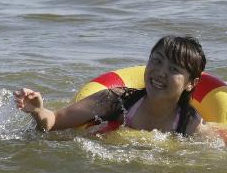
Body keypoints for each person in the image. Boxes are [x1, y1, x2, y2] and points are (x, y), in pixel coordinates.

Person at [14, 35, 207, 136]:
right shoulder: (116, 101)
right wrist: (38, 111)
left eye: (174, 69)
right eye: (156, 61)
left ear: (191, 83)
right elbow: (54, 121)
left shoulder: (189, 125)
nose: (160, 72)